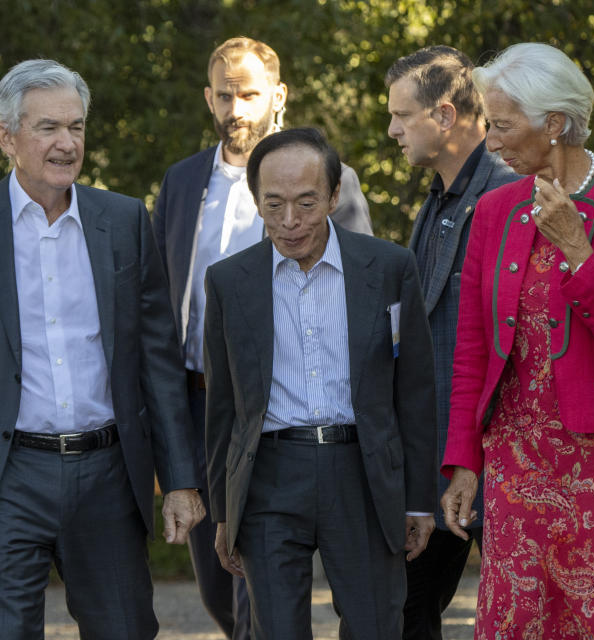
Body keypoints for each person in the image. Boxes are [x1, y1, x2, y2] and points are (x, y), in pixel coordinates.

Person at [0, 59, 204, 639]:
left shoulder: (125, 219)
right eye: (48, 128)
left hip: (109, 475)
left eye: (76, 127)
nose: (66, 143)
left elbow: (158, 361)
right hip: (4, 478)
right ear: (6, 136)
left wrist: (180, 477)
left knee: (127, 630)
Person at [440, 42, 594, 638]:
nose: (490, 142)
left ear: (554, 124)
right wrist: (465, 463)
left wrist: (577, 247)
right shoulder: (493, 212)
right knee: (516, 616)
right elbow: (471, 349)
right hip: (519, 456)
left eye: (501, 125)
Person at [152, 36, 372, 639]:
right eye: (224, 95)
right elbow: (159, 300)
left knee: (262, 578)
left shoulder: (329, 181)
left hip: (278, 412)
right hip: (198, 402)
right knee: (217, 581)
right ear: (208, 98)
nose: (236, 108)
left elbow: (363, 303)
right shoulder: (180, 183)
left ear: (278, 95)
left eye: (249, 93)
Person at [203, 128, 437, 640]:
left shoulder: (389, 268)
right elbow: (224, 406)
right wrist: (224, 510)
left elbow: (415, 391)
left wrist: (419, 499)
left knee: (376, 625)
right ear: (256, 201)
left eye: (307, 203)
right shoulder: (228, 281)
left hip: (362, 471)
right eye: (274, 204)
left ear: (334, 196)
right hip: (268, 475)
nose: (290, 222)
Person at [384, 46, 519, 640]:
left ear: (444, 116)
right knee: (403, 611)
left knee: (520, 618)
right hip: (438, 457)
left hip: (502, 458)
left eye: (400, 115)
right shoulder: (436, 199)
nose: (391, 130)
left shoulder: (510, 192)